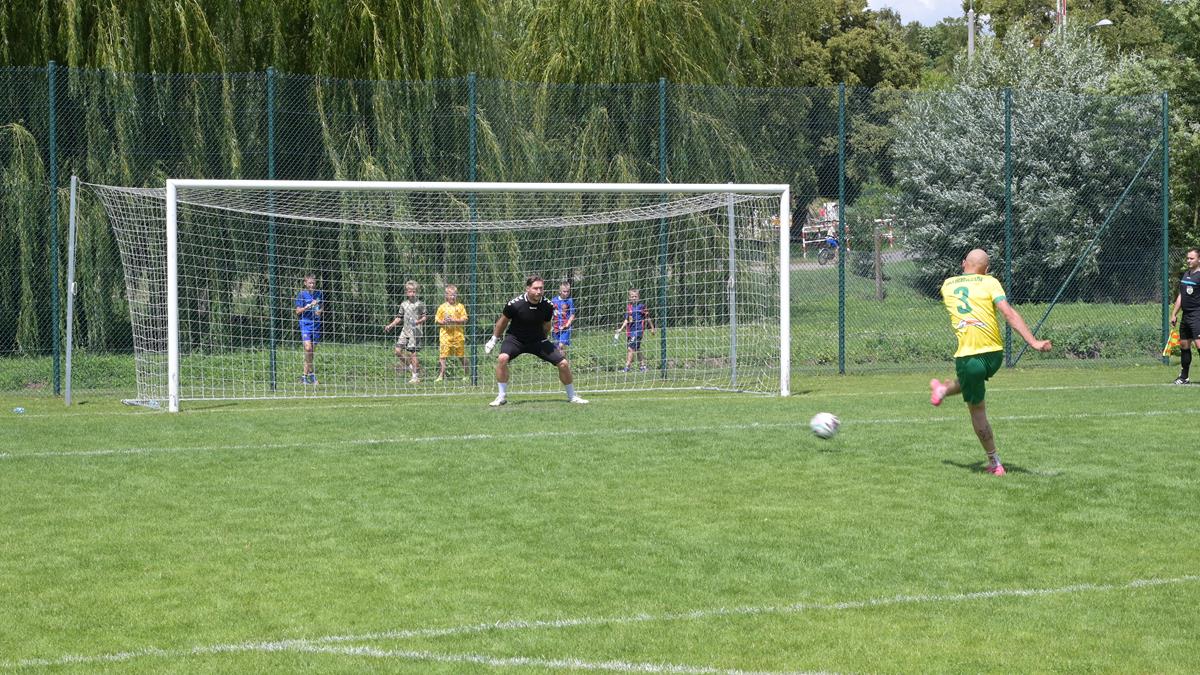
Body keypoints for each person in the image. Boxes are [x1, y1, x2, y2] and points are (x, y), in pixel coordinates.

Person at [928, 249, 1052, 476]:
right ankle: (942, 390)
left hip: (969, 357)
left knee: (977, 410)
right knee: (969, 382)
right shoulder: (990, 282)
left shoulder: (947, 285)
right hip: (995, 355)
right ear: (986, 269)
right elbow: (1008, 314)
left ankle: (995, 462)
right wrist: (1033, 342)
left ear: (963, 263)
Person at [484, 275, 588, 406]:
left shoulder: (548, 305)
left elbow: (547, 325)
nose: (539, 291)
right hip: (515, 339)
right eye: (535, 288)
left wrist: (545, 341)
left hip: (538, 340)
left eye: (541, 288)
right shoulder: (514, 304)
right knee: (502, 359)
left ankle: (572, 396)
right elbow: (502, 322)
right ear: (527, 288)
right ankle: (501, 397)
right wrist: (493, 340)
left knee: (563, 363)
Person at [383, 280, 426, 383]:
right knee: (397, 351)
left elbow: (425, 317)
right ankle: (411, 367)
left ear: (417, 292)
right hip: (405, 331)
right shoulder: (403, 304)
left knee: (412, 353)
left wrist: (417, 322)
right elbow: (399, 317)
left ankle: (415, 377)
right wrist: (390, 325)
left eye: (414, 291)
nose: (412, 293)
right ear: (406, 292)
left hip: (415, 331)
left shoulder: (420, 304)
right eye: (410, 291)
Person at [1169, 248, 1200, 384]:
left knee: (1199, 344)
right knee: (1184, 345)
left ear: (1199, 259)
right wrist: (1174, 314)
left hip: (1197, 315)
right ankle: (1184, 377)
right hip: (1186, 316)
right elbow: (1181, 296)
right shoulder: (1186, 274)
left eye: (1191, 258)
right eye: (1187, 258)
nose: (1188, 260)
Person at [615, 288, 655, 372]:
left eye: (635, 296)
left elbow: (647, 318)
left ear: (638, 297)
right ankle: (643, 367)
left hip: (638, 331)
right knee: (637, 349)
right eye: (632, 296)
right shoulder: (629, 307)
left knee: (630, 348)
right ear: (629, 297)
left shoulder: (642, 306)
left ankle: (627, 367)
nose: (634, 298)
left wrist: (652, 328)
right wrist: (621, 329)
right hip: (630, 331)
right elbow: (627, 320)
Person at [435, 284, 469, 382]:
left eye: (454, 295)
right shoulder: (442, 307)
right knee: (443, 356)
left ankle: (467, 374)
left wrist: (454, 320)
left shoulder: (460, 306)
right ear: (446, 295)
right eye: (451, 295)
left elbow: (465, 319)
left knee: (461, 356)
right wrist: (443, 322)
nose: (453, 297)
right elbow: (437, 320)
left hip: (458, 335)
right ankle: (441, 376)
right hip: (445, 335)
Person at [294, 273, 323, 385]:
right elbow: (297, 311)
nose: (312, 285)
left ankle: (305, 377)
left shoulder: (319, 294)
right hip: (305, 324)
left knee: (311, 352)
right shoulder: (301, 295)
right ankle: (311, 375)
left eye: (314, 283)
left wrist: (318, 311)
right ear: (305, 283)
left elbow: (321, 308)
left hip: (316, 325)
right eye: (310, 283)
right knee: (308, 348)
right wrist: (308, 306)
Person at [550, 282, 576, 356]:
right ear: (560, 291)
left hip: (565, 328)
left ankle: (563, 360)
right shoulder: (554, 300)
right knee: (557, 347)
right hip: (556, 327)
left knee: (561, 345)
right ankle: (561, 359)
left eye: (568, 291)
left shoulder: (570, 301)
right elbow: (550, 313)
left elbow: (572, 314)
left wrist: (568, 324)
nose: (566, 293)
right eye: (564, 291)